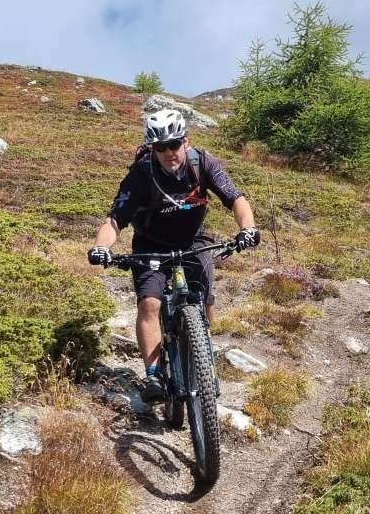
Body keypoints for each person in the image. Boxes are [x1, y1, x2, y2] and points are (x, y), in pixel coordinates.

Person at [88, 109, 259, 403]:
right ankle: (154, 374)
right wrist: (101, 247)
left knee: (205, 301)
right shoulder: (141, 174)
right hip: (151, 244)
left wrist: (248, 229)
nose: (169, 152)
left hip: (193, 239)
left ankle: (201, 354)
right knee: (150, 303)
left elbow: (236, 198)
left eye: (174, 144)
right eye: (160, 147)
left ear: (185, 141)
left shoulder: (202, 162)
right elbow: (115, 219)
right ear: (152, 149)